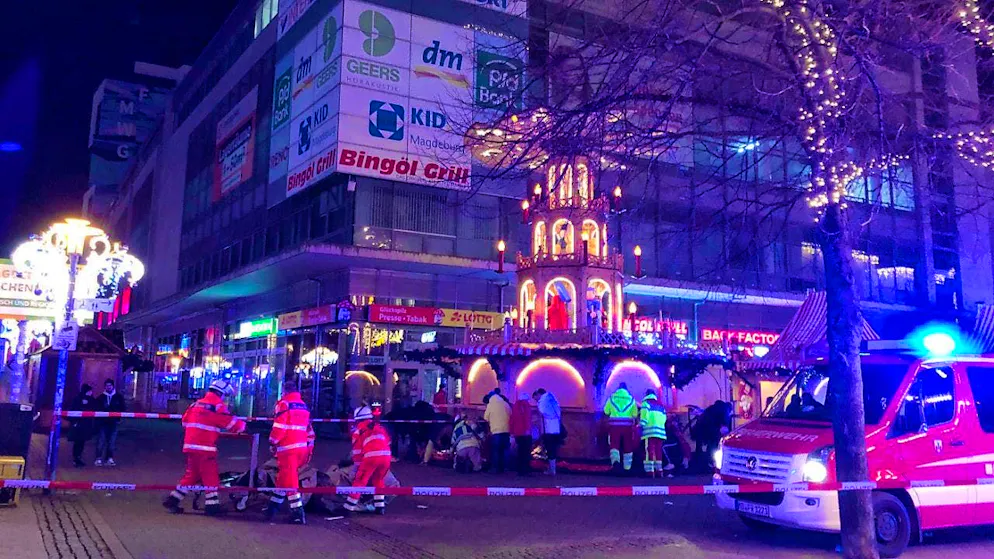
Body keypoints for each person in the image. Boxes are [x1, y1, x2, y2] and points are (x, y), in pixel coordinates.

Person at [163, 379, 246, 516]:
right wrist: (243, 426)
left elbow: (185, 422)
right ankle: (212, 507)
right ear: (221, 393)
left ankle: (173, 499)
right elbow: (231, 424)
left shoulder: (196, 404)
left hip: (190, 446)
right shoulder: (217, 406)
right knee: (211, 476)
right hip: (205, 448)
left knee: (192, 475)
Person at [264, 376, 315, 524]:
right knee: (284, 477)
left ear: (284, 391)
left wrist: (272, 441)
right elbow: (308, 429)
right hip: (301, 447)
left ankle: (297, 512)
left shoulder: (284, 404)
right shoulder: (303, 406)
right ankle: (272, 508)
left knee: (290, 480)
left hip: (287, 448)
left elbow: (279, 427)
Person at [344, 405, 392, 514]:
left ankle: (348, 508)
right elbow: (388, 442)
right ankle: (380, 507)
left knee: (360, 481)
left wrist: (357, 468)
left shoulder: (359, 431)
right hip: (386, 457)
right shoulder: (380, 428)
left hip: (371, 458)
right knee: (379, 480)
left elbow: (357, 452)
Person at [603, 382, 638, 473]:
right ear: (626, 389)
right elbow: (635, 414)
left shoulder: (612, 398)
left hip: (614, 426)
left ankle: (615, 463)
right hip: (627, 427)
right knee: (628, 445)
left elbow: (606, 411)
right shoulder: (631, 399)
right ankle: (627, 467)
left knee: (614, 445)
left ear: (618, 388)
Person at [95, 378, 125, 466]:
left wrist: (118, 418)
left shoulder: (119, 397)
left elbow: (123, 408)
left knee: (112, 441)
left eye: (110, 385)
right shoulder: (101, 397)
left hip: (114, 422)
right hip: (103, 423)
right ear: (104, 387)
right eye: (107, 386)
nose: (108, 387)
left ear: (113, 386)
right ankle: (98, 458)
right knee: (101, 440)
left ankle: (109, 458)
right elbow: (97, 408)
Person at [639, 389, 667, 477]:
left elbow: (644, 418)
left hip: (649, 432)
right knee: (658, 451)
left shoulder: (646, 403)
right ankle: (659, 471)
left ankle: (649, 472)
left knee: (649, 451)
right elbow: (664, 419)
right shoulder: (661, 405)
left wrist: (639, 425)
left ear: (646, 394)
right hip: (660, 432)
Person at [534, 388, 562, 475]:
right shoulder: (553, 399)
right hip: (556, 428)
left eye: (536, 398)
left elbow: (542, 411)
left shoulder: (543, 401)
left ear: (539, 394)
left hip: (548, 429)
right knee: (553, 449)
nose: (536, 400)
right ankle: (552, 469)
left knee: (550, 449)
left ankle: (552, 470)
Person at [483, 389, 512, 473]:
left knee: (496, 450)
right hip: (506, 430)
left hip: (496, 431)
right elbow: (510, 413)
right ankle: (505, 468)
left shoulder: (490, 405)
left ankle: (495, 468)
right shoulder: (505, 404)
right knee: (505, 450)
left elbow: (486, 417)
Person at [69, 384, 96, 468]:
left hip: (85, 425)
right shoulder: (78, 399)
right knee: (78, 442)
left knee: (81, 442)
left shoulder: (91, 399)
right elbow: (73, 409)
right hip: (78, 424)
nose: (91, 393)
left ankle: (78, 458)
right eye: (89, 391)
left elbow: (94, 407)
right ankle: (76, 458)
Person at [509, 393, 534, 475]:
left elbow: (512, 420)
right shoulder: (525, 405)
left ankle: (520, 470)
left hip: (517, 432)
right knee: (526, 452)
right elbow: (527, 418)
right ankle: (526, 470)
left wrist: (512, 431)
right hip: (525, 433)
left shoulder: (515, 407)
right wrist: (527, 429)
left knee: (520, 451)